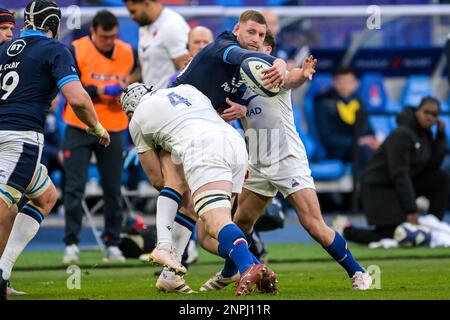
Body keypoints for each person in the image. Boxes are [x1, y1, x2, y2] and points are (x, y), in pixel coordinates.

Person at [197, 32, 373, 292]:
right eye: (252, 42)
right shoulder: (238, 80)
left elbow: (291, 78)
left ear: (269, 51)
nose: (256, 49)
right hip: (257, 162)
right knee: (240, 225)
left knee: (314, 225)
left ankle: (358, 272)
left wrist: (303, 73)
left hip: (287, 160)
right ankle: (230, 272)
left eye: (262, 44)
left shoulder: (274, 73)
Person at [144, 10, 286, 293]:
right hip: (177, 125)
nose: (256, 40)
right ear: (236, 29)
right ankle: (171, 250)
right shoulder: (225, 47)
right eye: (251, 32)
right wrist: (279, 61)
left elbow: (234, 100)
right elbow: (240, 57)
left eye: (260, 35)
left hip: (207, 137)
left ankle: (174, 272)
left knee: (198, 211)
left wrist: (242, 108)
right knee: (178, 189)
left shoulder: (244, 72)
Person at [120, 82, 277, 297]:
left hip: (204, 149)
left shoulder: (137, 118)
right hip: (235, 144)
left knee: (216, 224)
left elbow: (157, 180)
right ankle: (171, 276)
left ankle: (248, 267)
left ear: (130, 110)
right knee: (206, 233)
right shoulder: (187, 89)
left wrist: (173, 174)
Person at [0, 0, 110, 301]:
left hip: (4, 134)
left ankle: (3, 271)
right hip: (20, 138)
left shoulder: (4, 50)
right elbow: (77, 98)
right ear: (53, 25)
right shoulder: (55, 49)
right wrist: (97, 127)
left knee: (46, 195)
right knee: (3, 206)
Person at [62, 10, 135, 264]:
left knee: (113, 189)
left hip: (114, 126)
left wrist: (127, 85)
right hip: (79, 125)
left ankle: (113, 243)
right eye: (105, 37)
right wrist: (102, 89)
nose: (110, 42)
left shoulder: (127, 51)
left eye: (113, 36)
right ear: (94, 31)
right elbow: (75, 87)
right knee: (74, 187)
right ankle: (71, 243)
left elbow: (136, 77)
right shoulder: (76, 49)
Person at [334, 97, 450, 244]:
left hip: (398, 186)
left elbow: (432, 166)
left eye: (434, 115)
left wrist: (440, 137)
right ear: (417, 112)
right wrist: (411, 210)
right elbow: (400, 174)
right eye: (426, 112)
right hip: (378, 187)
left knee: (441, 178)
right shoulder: (402, 134)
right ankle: (345, 229)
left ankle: (433, 228)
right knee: (393, 235)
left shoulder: (425, 135)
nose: (429, 117)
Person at [314, 67, 379, 165]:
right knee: (365, 151)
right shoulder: (324, 102)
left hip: (359, 146)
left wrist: (373, 140)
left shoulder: (358, 101)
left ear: (356, 83)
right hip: (338, 151)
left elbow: (367, 128)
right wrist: (358, 141)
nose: (345, 86)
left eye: (349, 82)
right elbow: (328, 138)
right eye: (341, 82)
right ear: (334, 82)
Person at [123, 0, 190, 88]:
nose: (131, 16)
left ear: (147, 4)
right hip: (151, 98)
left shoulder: (172, 26)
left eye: (133, 11)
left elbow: (185, 67)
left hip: (168, 99)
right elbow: (146, 62)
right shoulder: (145, 25)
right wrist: (131, 80)